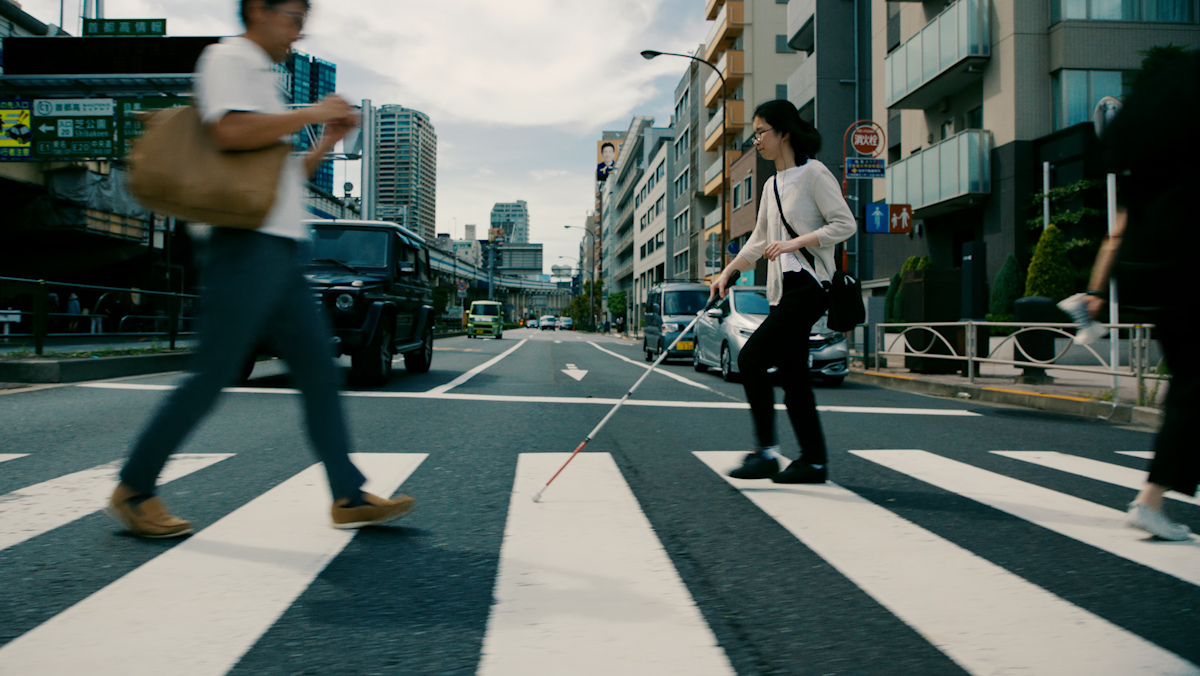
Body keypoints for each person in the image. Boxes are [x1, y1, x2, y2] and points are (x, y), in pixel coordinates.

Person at [107, 0, 414, 539]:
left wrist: (325, 142)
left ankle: (346, 492)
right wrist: (312, 113)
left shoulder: (263, 79)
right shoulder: (229, 59)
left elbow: (279, 178)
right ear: (259, 10)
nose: (299, 31)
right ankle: (135, 487)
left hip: (280, 248)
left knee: (318, 371)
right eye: (293, 16)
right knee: (214, 373)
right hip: (243, 246)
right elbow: (229, 133)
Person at [1084, 51, 1198, 541]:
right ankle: (1151, 499)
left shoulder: (1148, 164)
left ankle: (1156, 496)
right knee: (1195, 391)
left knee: (1190, 387)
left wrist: (1094, 289)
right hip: (1190, 274)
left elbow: (1117, 232)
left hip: (1155, 280)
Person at [710, 100, 855, 483]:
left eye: (761, 132)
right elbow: (759, 240)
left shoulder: (814, 174)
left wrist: (795, 243)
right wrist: (728, 272)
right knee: (793, 379)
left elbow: (845, 224)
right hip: (781, 290)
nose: (756, 140)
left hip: (809, 286)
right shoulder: (772, 184)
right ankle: (814, 461)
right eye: (754, 134)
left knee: (752, 359)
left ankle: (767, 453)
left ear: (784, 133)